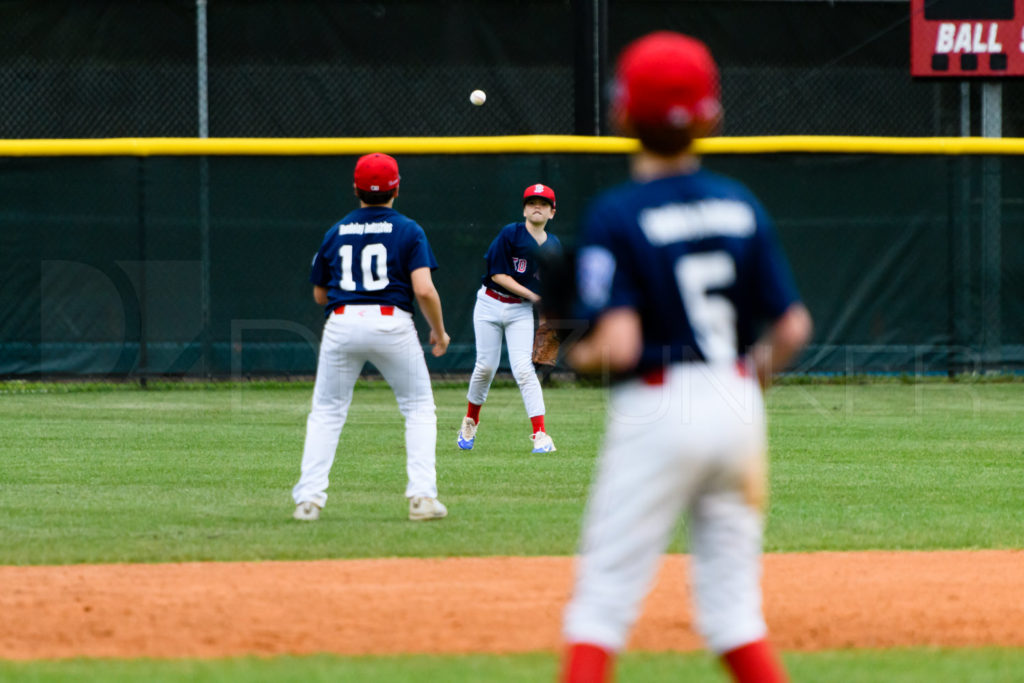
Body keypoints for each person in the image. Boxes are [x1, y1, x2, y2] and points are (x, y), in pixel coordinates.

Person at [559, 32, 813, 682]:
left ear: (621, 115)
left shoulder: (616, 212)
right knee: (734, 616)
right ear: (712, 116)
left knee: (600, 609)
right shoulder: (739, 202)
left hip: (658, 404)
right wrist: (745, 381)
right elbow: (791, 326)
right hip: (736, 401)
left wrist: (570, 350)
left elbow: (617, 346)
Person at [292, 153, 451, 522]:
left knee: (327, 412)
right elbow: (424, 290)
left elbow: (320, 295)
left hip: (342, 321)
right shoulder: (409, 229)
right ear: (397, 188)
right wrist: (439, 333)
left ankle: (308, 501)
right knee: (418, 408)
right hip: (390, 322)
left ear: (355, 188)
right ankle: (422, 498)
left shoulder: (336, 231)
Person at [456, 184, 563, 454]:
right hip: (490, 304)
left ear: (552, 212)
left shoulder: (554, 246)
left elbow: (552, 287)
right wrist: (536, 298)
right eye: (531, 202)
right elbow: (498, 275)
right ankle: (470, 421)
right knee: (485, 368)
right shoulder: (510, 234)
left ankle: (541, 434)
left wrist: (546, 317)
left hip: (520, 311)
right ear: (524, 208)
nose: (536, 206)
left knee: (524, 370)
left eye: (543, 203)